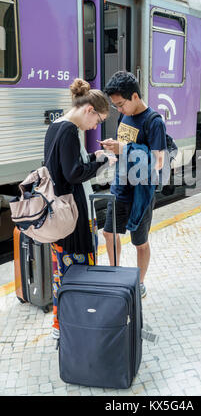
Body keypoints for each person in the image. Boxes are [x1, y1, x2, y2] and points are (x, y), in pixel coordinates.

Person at [44, 78, 116, 339]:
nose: (95, 126)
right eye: (97, 121)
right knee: (79, 271)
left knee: (61, 273)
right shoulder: (70, 131)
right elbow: (74, 174)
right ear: (89, 110)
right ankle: (77, 325)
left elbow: (64, 169)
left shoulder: (56, 127)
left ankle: (59, 323)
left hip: (59, 217)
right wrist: (103, 162)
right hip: (73, 219)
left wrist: (94, 157)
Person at [101, 71, 167, 298]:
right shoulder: (124, 115)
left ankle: (139, 283)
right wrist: (114, 149)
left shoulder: (154, 121)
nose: (118, 110)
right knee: (109, 233)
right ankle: (116, 274)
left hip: (141, 191)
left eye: (121, 105)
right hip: (120, 185)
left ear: (135, 97)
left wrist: (124, 149)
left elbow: (158, 161)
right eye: (115, 106)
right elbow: (124, 144)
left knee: (140, 242)